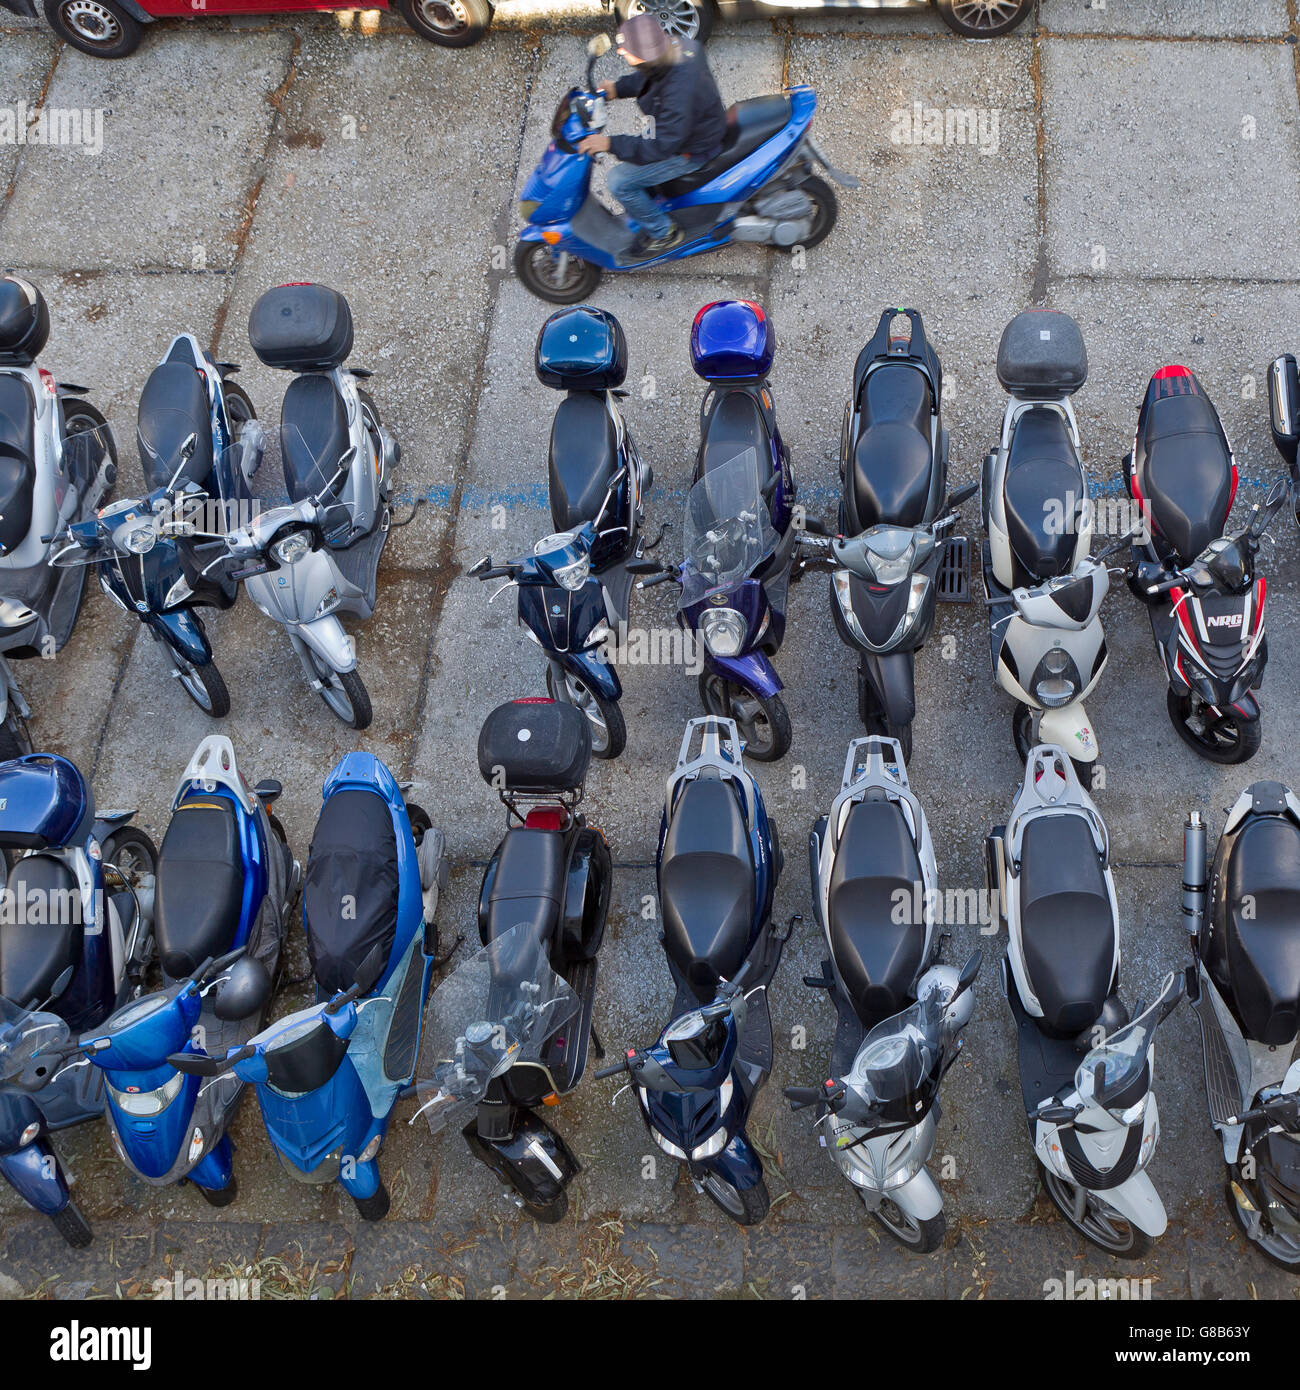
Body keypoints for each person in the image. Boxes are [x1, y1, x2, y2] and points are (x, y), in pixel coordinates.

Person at [577, 14, 727, 257]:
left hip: (690, 150)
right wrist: (619, 88)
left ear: (645, 56)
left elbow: (660, 146)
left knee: (619, 182)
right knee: (638, 151)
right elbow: (655, 75)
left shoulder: (680, 90)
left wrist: (609, 143)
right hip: (692, 127)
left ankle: (664, 233)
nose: (620, 51)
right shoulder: (678, 47)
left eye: (626, 48)